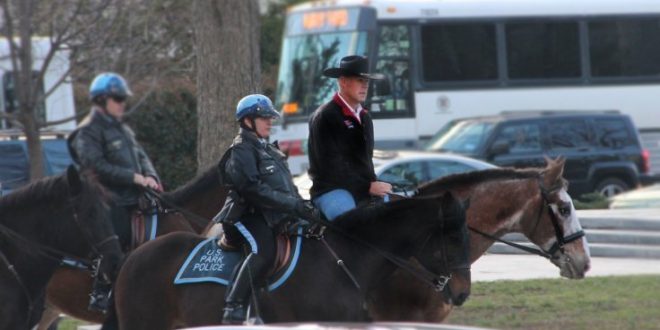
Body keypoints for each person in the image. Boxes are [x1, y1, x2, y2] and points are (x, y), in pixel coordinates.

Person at [216, 94, 319, 324]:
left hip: (271, 215)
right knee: (264, 251)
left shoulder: (269, 149)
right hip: (245, 215)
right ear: (248, 121)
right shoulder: (241, 149)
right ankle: (233, 307)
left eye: (270, 117)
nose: (270, 122)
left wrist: (301, 206)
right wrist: (292, 205)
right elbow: (252, 190)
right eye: (264, 117)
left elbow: (285, 187)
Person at [67, 72, 161, 312]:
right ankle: (101, 290)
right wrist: (133, 177)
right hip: (107, 198)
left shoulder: (122, 129)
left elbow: (140, 155)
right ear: (101, 100)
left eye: (123, 99)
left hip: (135, 195)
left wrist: (150, 176)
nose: (122, 104)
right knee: (114, 234)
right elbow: (95, 165)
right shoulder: (87, 131)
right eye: (118, 99)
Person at [307, 55, 393, 221]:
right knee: (353, 224)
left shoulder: (365, 118)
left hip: (363, 189)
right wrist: (368, 187)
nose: (365, 86)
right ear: (343, 82)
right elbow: (329, 167)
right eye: (360, 80)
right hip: (331, 190)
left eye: (367, 82)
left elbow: (365, 163)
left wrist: (374, 184)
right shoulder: (325, 116)